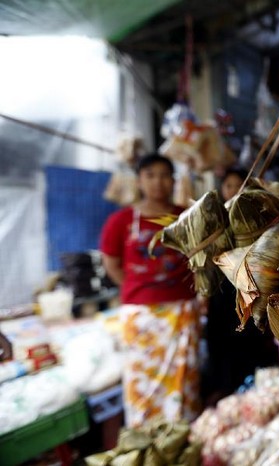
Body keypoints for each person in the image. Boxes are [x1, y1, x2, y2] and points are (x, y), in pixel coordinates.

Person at [100, 153, 202, 427]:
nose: (158, 182)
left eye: (165, 175)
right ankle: (144, 439)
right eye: (150, 175)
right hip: (141, 317)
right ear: (139, 181)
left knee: (183, 379)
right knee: (141, 383)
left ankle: (182, 436)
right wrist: (142, 290)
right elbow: (111, 265)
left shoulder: (188, 217)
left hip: (182, 312)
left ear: (173, 181)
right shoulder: (120, 221)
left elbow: (199, 259)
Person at [201, 166, 279, 405]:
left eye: (240, 185)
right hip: (223, 294)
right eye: (229, 186)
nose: (235, 190)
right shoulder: (214, 220)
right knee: (225, 342)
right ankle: (228, 392)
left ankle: (260, 393)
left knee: (253, 338)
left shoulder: (260, 217)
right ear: (221, 190)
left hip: (253, 289)